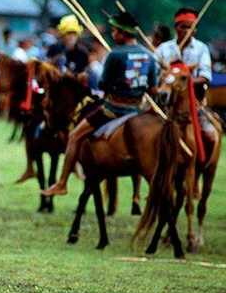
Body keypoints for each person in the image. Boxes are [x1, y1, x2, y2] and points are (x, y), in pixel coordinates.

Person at [41, 11, 158, 197]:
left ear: (122, 32)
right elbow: (153, 89)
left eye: (114, 31)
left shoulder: (115, 55)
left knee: (74, 135)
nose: (112, 34)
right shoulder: (149, 55)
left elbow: (103, 85)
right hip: (139, 109)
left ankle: (62, 183)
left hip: (115, 109)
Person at [155, 7, 212, 101]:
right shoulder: (163, 48)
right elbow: (153, 72)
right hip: (164, 97)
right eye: (183, 27)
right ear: (175, 27)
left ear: (195, 30)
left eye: (190, 27)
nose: (186, 31)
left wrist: (183, 82)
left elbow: (206, 77)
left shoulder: (202, 48)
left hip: (192, 99)